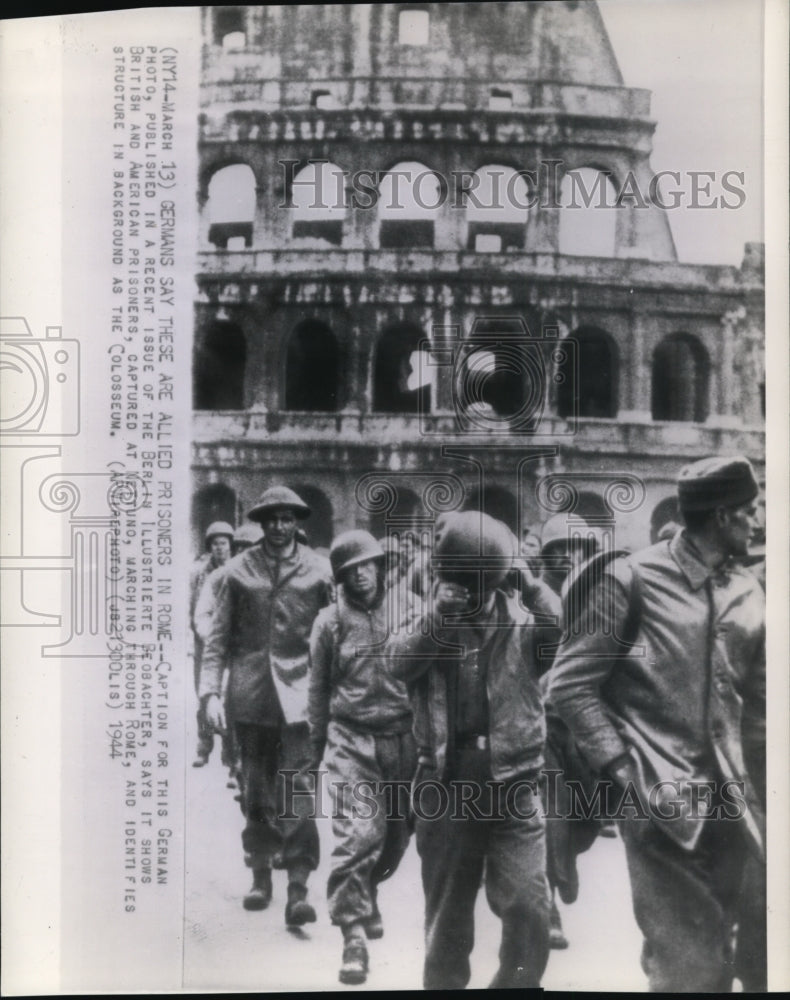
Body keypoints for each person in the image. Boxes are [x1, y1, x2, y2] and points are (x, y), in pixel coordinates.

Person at [548, 456, 766, 991]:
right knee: (691, 970)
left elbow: (763, 702)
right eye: (750, 512)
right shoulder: (629, 580)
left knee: (759, 956)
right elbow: (569, 686)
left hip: (739, 805)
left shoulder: (749, 591)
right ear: (721, 517)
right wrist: (623, 770)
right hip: (658, 803)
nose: (758, 524)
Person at [389, 510, 559, 990]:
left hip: (515, 783)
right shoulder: (427, 618)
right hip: (446, 781)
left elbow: (558, 631)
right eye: (466, 584)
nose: (475, 597)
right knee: (448, 919)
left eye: (486, 585)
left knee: (529, 905)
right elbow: (398, 665)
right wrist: (436, 616)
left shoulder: (524, 620)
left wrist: (530, 584)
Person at [200, 486, 333, 923]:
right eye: (271, 518)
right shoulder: (238, 571)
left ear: (298, 522)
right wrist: (210, 694)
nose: (279, 526)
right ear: (261, 523)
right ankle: (260, 876)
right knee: (256, 793)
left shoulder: (319, 571)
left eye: (287, 518)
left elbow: (335, 636)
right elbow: (217, 640)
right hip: (251, 697)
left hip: (301, 698)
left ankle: (298, 888)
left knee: (298, 793)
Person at [307, 530, 417, 985]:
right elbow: (318, 691)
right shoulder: (328, 623)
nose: (361, 576)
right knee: (356, 837)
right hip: (350, 740)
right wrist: (317, 755)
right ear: (341, 578)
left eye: (367, 566)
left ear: (381, 566)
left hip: (402, 738)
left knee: (395, 837)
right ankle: (353, 936)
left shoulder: (411, 609)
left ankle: (368, 889)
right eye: (350, 571)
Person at [194, 520, 264, 790]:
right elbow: (202, 614)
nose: (247, 552)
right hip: (230, 658)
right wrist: (219, 639)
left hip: (264, 660)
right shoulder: (219, 577)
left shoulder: (273, 578)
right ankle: (233, 763)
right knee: (229, 709)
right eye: (242, 547)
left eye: (252, 547)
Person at [189, 520, 234, 768]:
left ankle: (230, 753)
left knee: (232, 698)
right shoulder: (198, 574)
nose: (219, 548)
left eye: (224, 543)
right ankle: (204, 747)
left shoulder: (237, 570)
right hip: (203, 644)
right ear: (210, 547)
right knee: (205, 696)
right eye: (215, 544)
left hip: (230, 644)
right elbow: (192, 608)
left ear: (230, 546)